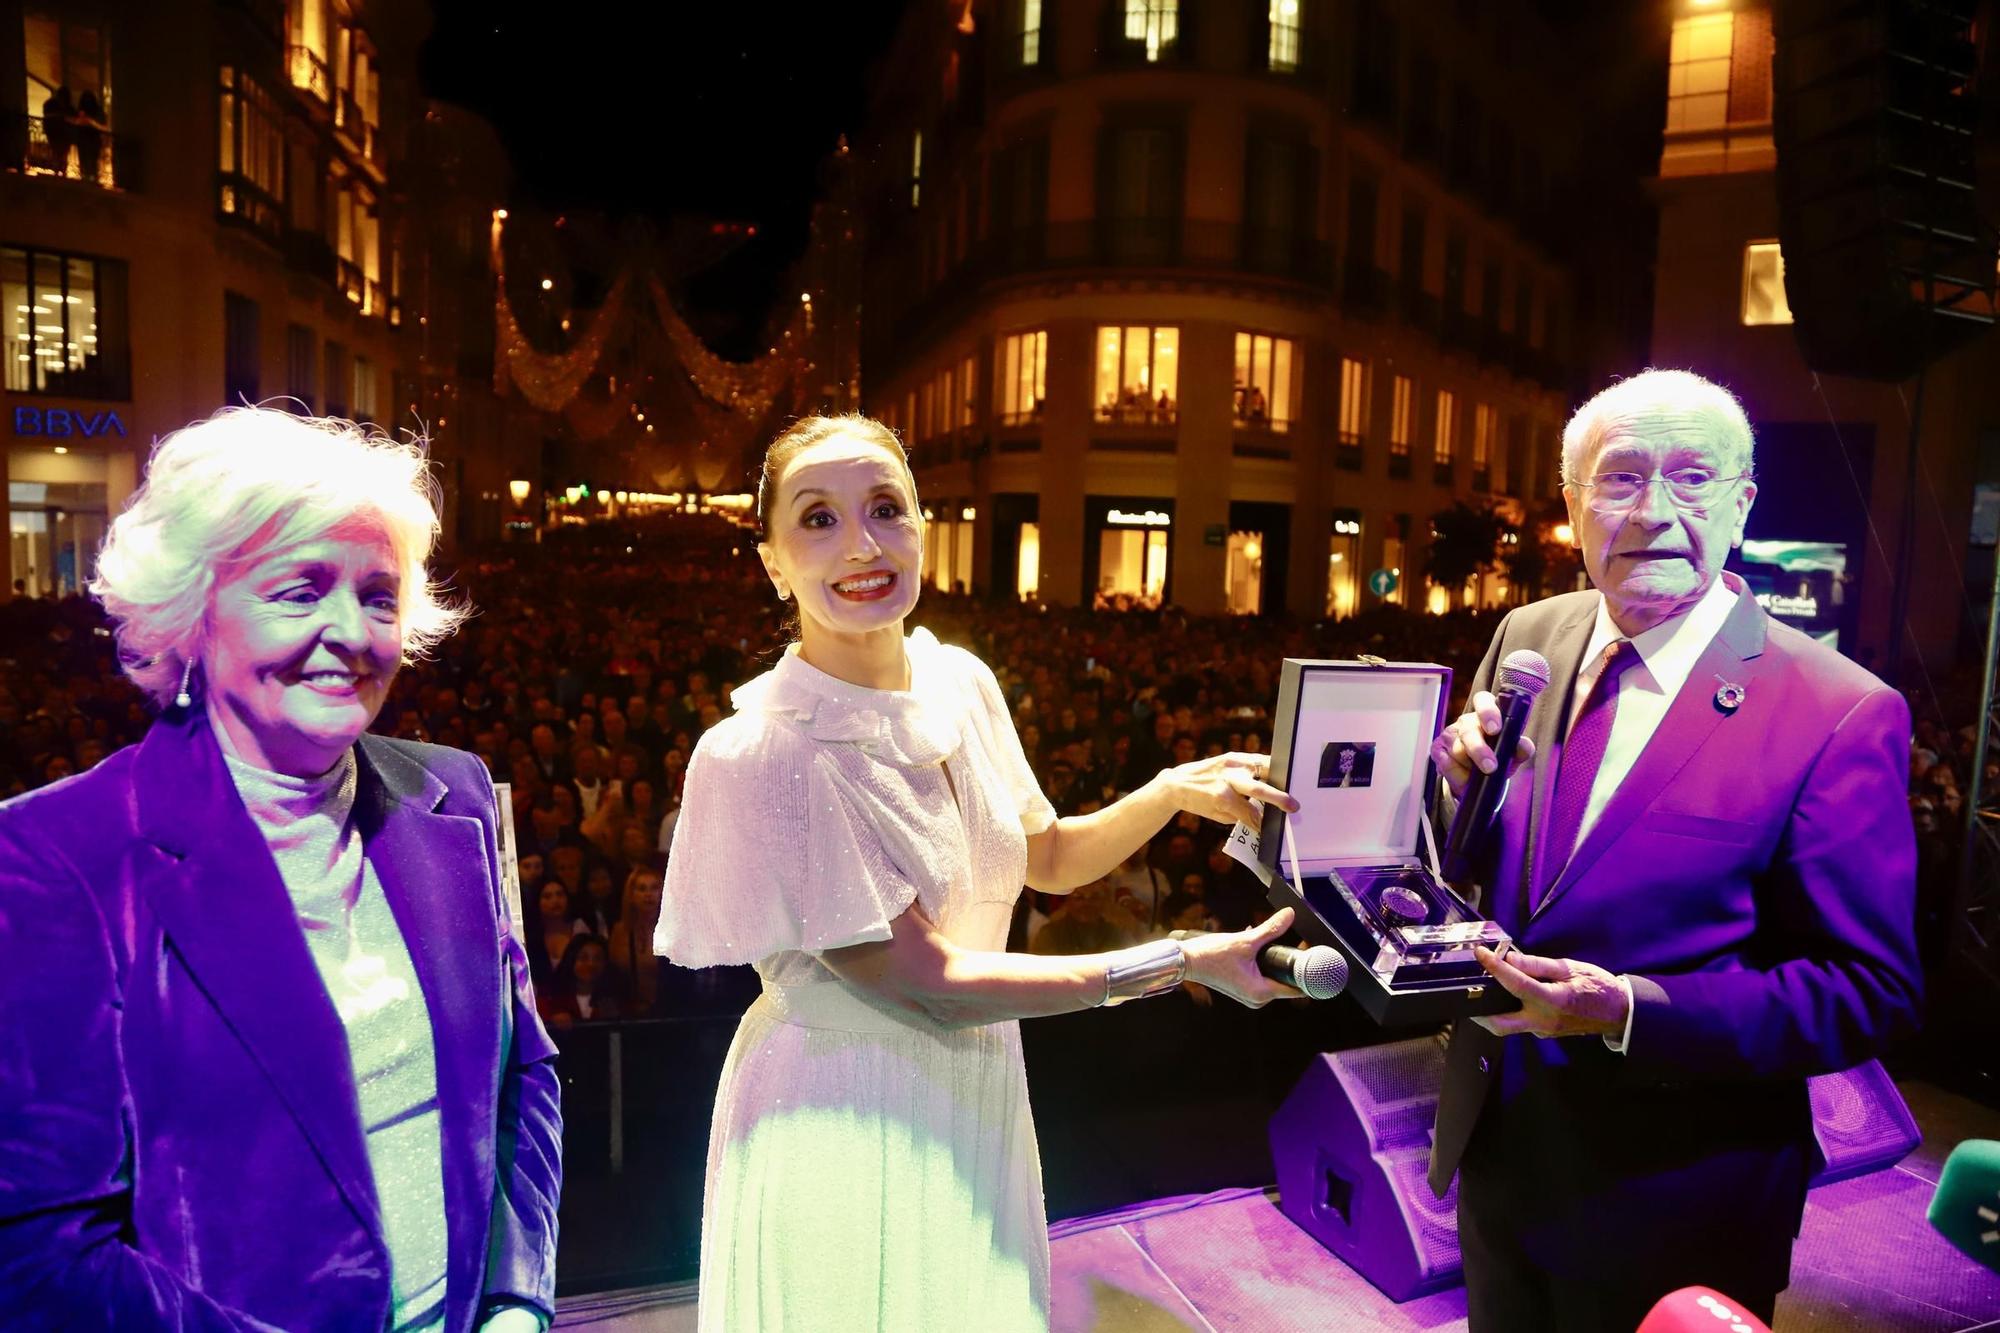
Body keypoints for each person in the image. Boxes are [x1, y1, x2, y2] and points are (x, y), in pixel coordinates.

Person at [656, 414, 1301, 1331]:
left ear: (923, 523)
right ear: (771, 562)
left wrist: (1168, 791)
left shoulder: (961, 680)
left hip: (977, 1077)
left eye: (886, 508)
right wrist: (1180, 961)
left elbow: (1045, 857)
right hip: (843, 1101)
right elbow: (933, 981)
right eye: (818, 519)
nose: (864, 545)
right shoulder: (764, 749)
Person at [0, 407, 561, 1330]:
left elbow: (522, 1076)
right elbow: (43, 1253)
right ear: (193, 611)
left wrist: (514, 1299)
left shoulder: (452, 795)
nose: (350, 630)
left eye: (379, 595)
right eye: (300, 590)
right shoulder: (60, 858)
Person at [1425, 370, 1920, 1330]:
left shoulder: (1837, 708)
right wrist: (1454, 795)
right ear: (1572, 507)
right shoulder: (1528, 636)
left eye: (1692, 479)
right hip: (1502, 1158)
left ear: (1742, 506)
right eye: (1620, 479)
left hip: (1682, 1203)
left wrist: (1630, 1010)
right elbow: (1474, 872)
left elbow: (1871, 988)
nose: (1652, 512)